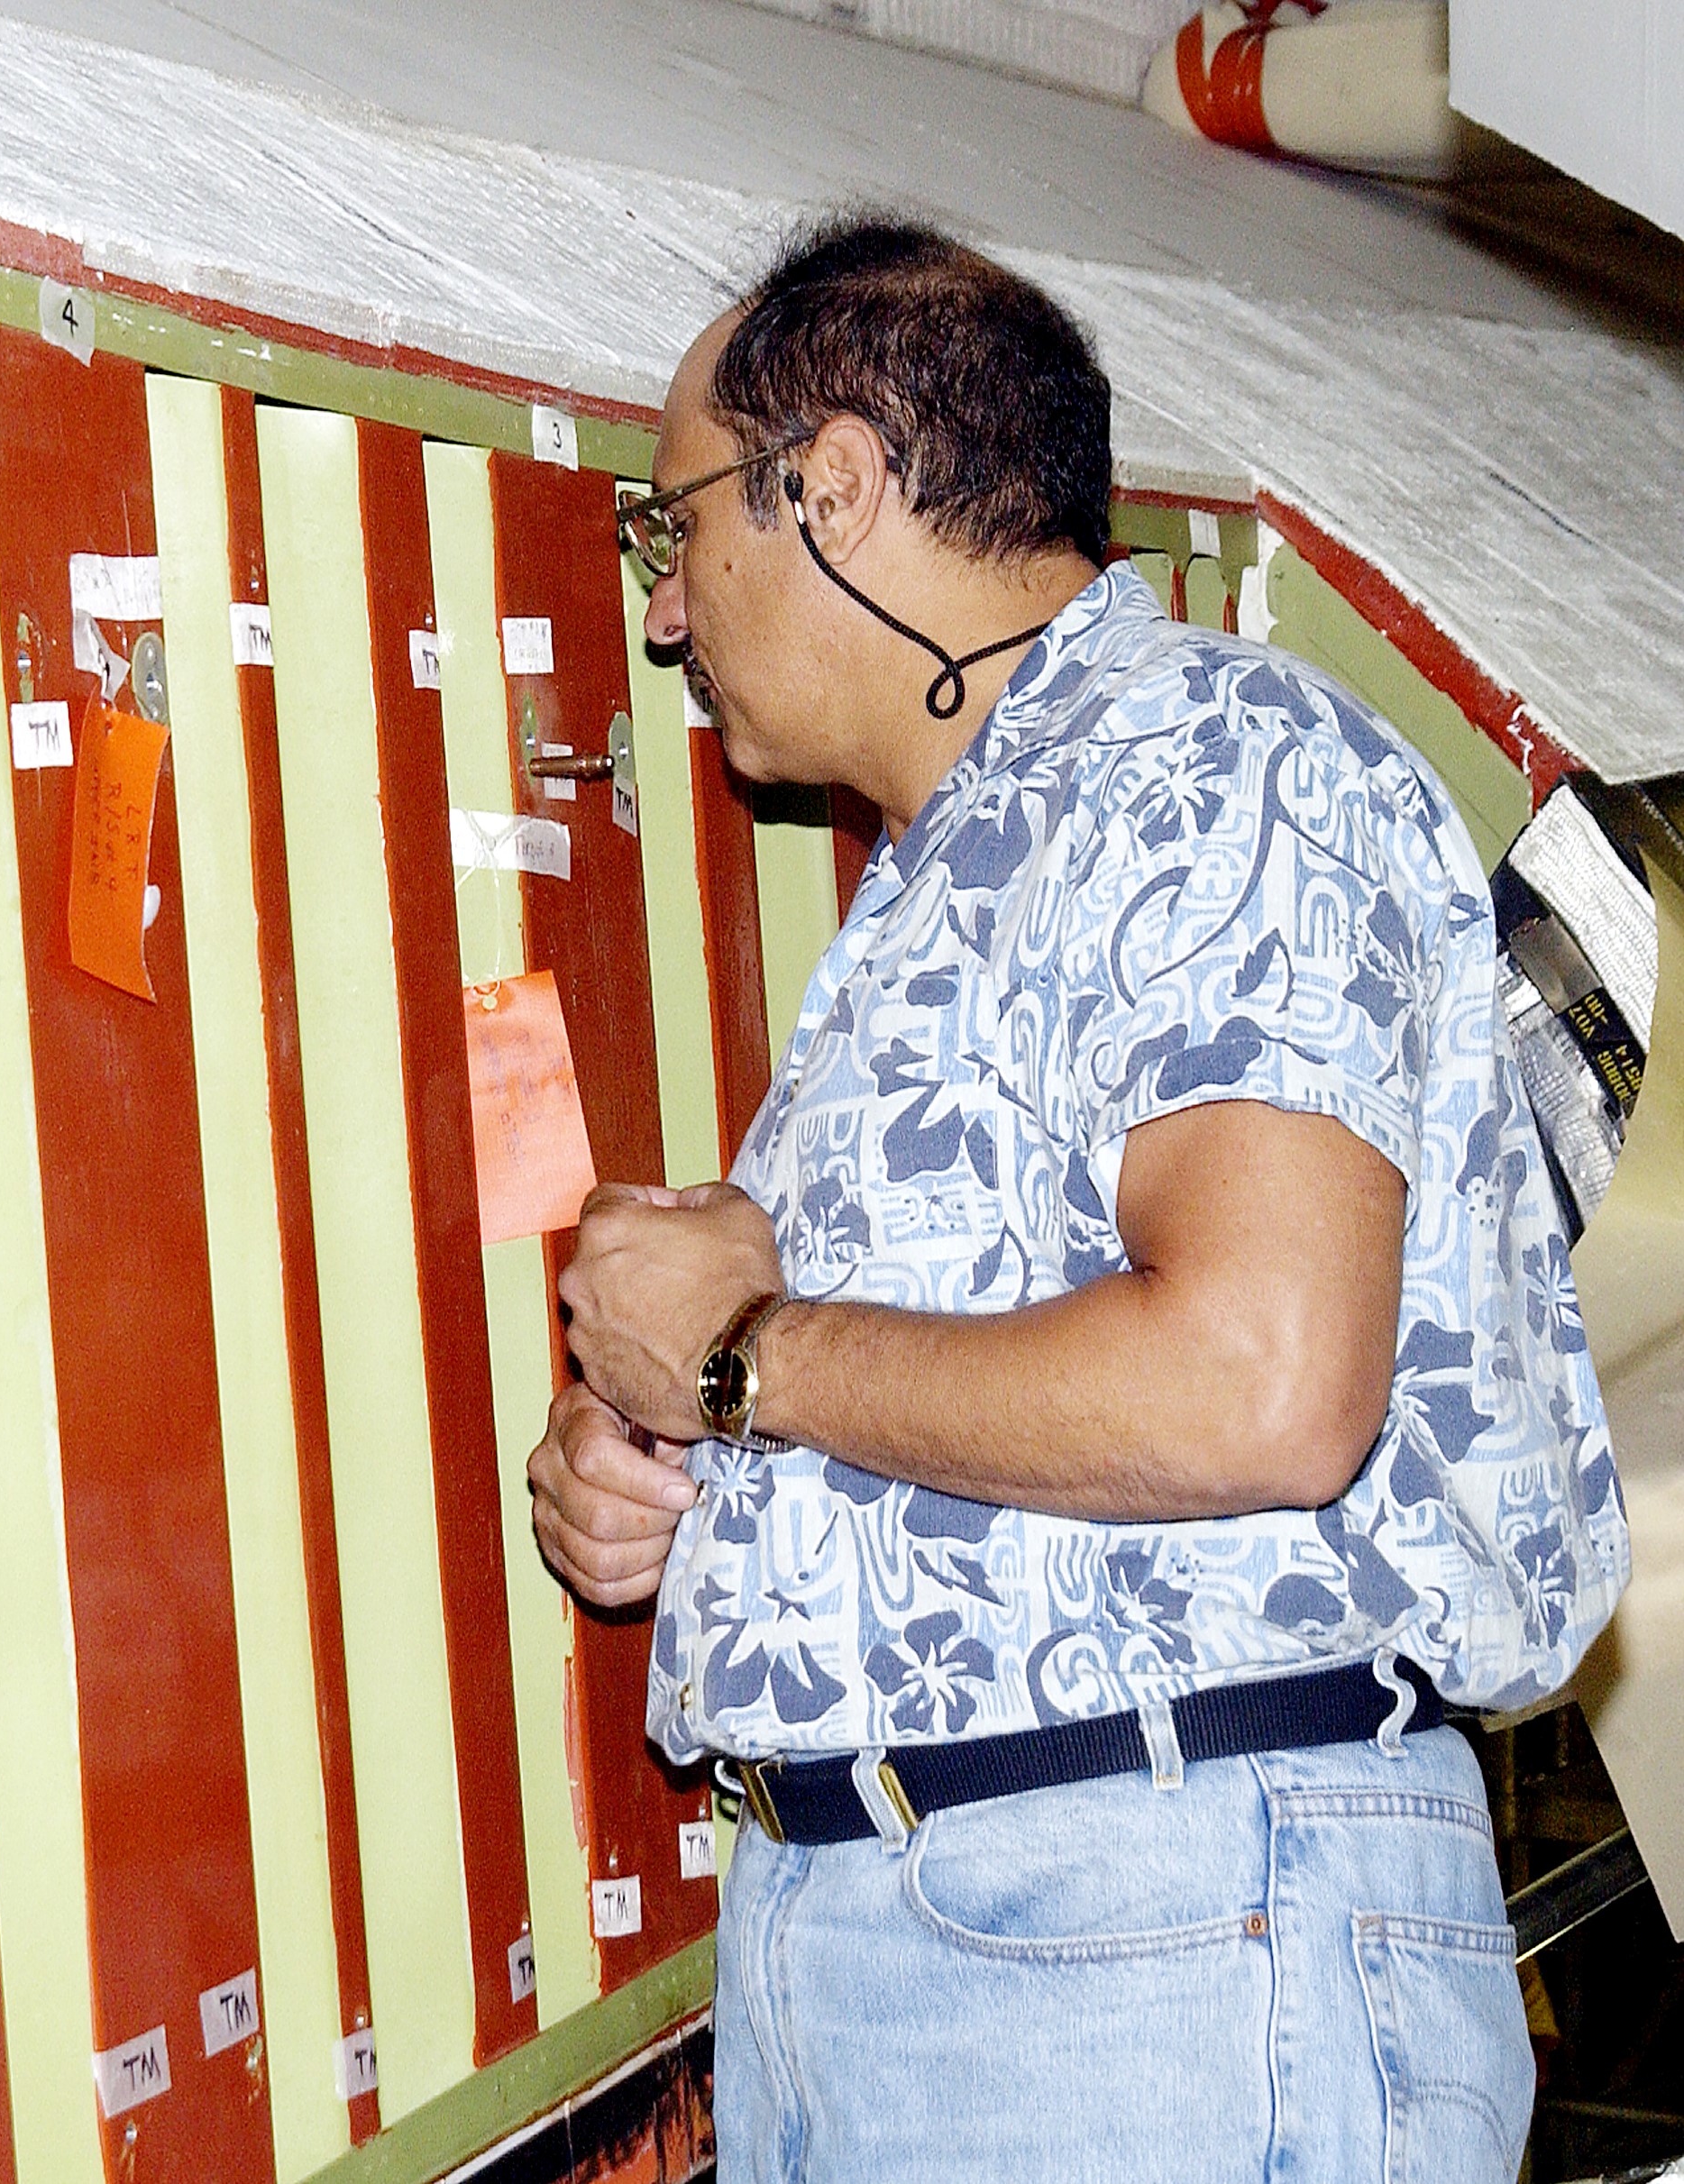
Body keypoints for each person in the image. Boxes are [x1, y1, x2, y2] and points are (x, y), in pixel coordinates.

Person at [533, 215, 1628, 2184]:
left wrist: (752, 1357)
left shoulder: (1217, 772)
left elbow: (1256, 1384)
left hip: (1155, 1946)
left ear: (837, 486)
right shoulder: (954, 868)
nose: (669, 609)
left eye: (673, 524)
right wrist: (668, 1485)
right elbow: (958, 1402)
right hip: (908, 1952)